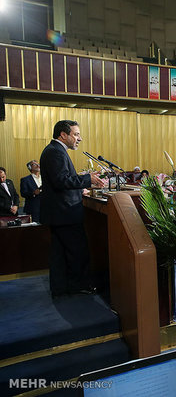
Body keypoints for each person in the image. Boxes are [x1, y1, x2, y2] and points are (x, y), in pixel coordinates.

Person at [40, 119, 105, 298]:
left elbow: (62, 179)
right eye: (76, 134)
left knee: (60, 253)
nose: (79, 138)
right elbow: (61, 181)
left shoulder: (55, 150)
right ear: (63, 135)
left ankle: (61, 288)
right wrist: (87, 180)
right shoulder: (56, 152)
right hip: (64, 213)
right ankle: (79, 286)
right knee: (77, 252)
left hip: (60, 212)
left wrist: (81, 184)